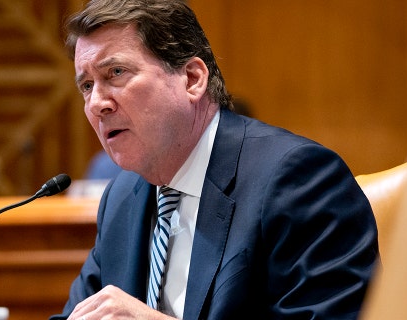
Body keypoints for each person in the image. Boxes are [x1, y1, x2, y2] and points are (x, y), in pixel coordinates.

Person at [52, 0, 379, 319]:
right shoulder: (122, 197)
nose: (97, 104)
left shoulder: (298, 179)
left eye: (116, 72)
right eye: (87, 85)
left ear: (192, 79)